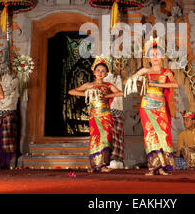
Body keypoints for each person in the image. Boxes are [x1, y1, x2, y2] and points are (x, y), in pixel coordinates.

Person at [130, 38, 178, 176]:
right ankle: (153, 167)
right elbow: (129, 81)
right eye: (152, 54)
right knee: (150, 134)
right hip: (147, 106)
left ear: (162, 56)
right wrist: (138, 76)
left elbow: (175, 85)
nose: (155, 57)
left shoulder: (166, 72)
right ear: (148, 57)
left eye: (158, 54)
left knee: (162, 134)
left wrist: (157, 85)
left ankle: (163, 166)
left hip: (160, 105)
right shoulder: (145, 71)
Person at [68, 56, 123, 173]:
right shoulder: (89, 85)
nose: (100, 73)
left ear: (106, 74)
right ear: (94, 72)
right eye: (98, 70)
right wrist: (87, 93)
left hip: (106, 115)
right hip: (94, 115)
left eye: (103, 71)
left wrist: (106, 96)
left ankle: (103, 165)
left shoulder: (108, 85)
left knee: (106, 138)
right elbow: (71, 91)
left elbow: (121, 93)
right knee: (95, 138)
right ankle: (94, 165)